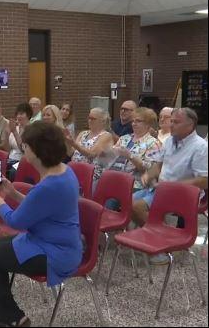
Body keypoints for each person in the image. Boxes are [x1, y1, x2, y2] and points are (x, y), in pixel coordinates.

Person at [0, 122, 81, 328]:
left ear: (37, 151)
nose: (23, 149)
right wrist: (13, 193)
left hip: (55, 253)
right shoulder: (64, 171)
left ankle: (13, 315)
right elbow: (41, 207)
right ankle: (0, 310)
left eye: (26, 146)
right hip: (51, 240)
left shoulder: (50, 184)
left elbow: (15, 221)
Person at [132, 108, 207, 264]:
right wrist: (149, 174)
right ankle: (157, 237)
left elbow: (204, 180)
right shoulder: (169, 141)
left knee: (137, 207)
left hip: (184, 194)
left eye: (176, 122)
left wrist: (171, 187)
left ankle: (159, 247)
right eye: (171, 121)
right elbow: (158, 166)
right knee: (128, 203)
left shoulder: (200, 147)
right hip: (161, 190)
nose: (171, 125)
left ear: (190, 125)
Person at [110, 108, 162, 191]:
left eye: (138, 121)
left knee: (110, 202)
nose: (134, 124)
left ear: (148, 124)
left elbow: (151, 169)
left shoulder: (153, 143)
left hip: (135, 186)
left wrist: (130, 156)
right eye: (133, 121)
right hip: (115, 180)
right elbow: (110, 159)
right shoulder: (124, 138)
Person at [67, 107, 114, 184]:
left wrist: (74, 144)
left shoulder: (106, 136)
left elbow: (91, 154)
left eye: (93, 119)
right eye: (89, 118)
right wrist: (67, 143)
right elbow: (71, 153)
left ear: (102, 121)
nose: (89, 121)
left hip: (92, 176)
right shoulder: (83, 134)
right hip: (75, 172)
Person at [4, 103, 33, 181]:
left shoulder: (31, 129)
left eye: (21, 114)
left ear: (28, 115)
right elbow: (7, 150)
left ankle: (13, 190)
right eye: (17, 114)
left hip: (22, 160)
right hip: (10, 159)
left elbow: (23, 150)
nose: (18, 116)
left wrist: (14, 132)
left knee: (13, 172)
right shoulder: (15, 128)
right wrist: (7, 134)